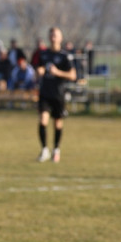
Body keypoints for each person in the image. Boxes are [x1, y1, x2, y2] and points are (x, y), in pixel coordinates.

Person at [35, 26, 77, 163]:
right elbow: (38, 70)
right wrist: (39, 71)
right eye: (51, 35)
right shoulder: (44, 54)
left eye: (56, 35)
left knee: (58, 123)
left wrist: (57, 72)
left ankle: (56, 149)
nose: (53, 37)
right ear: (49, 37)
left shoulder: (65, 56)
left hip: (58, 94)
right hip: (45, 92)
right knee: (43, 120)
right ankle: (44, 150)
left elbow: (72, 75)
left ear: (60, 38)